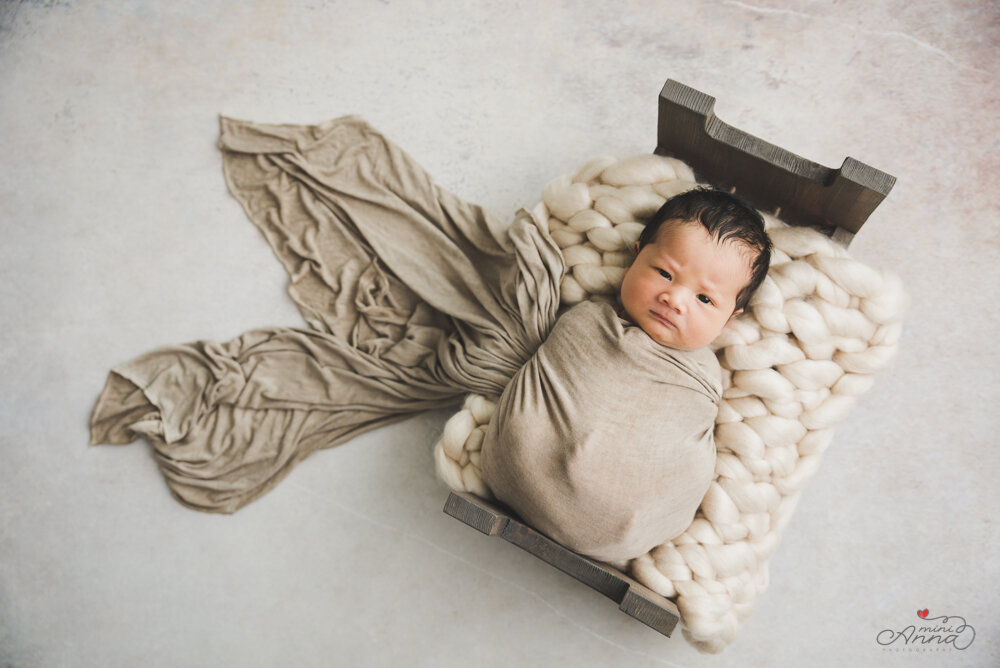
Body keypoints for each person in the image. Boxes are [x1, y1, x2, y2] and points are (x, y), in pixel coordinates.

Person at [480, 188, 771, 564]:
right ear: (636, 256)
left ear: (732, 315)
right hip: (521, 469)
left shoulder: (703, 375)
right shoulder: (587, 321)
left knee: (688, 463)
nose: (675, 299)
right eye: (665, 273)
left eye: (705, 299)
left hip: (624, 524)